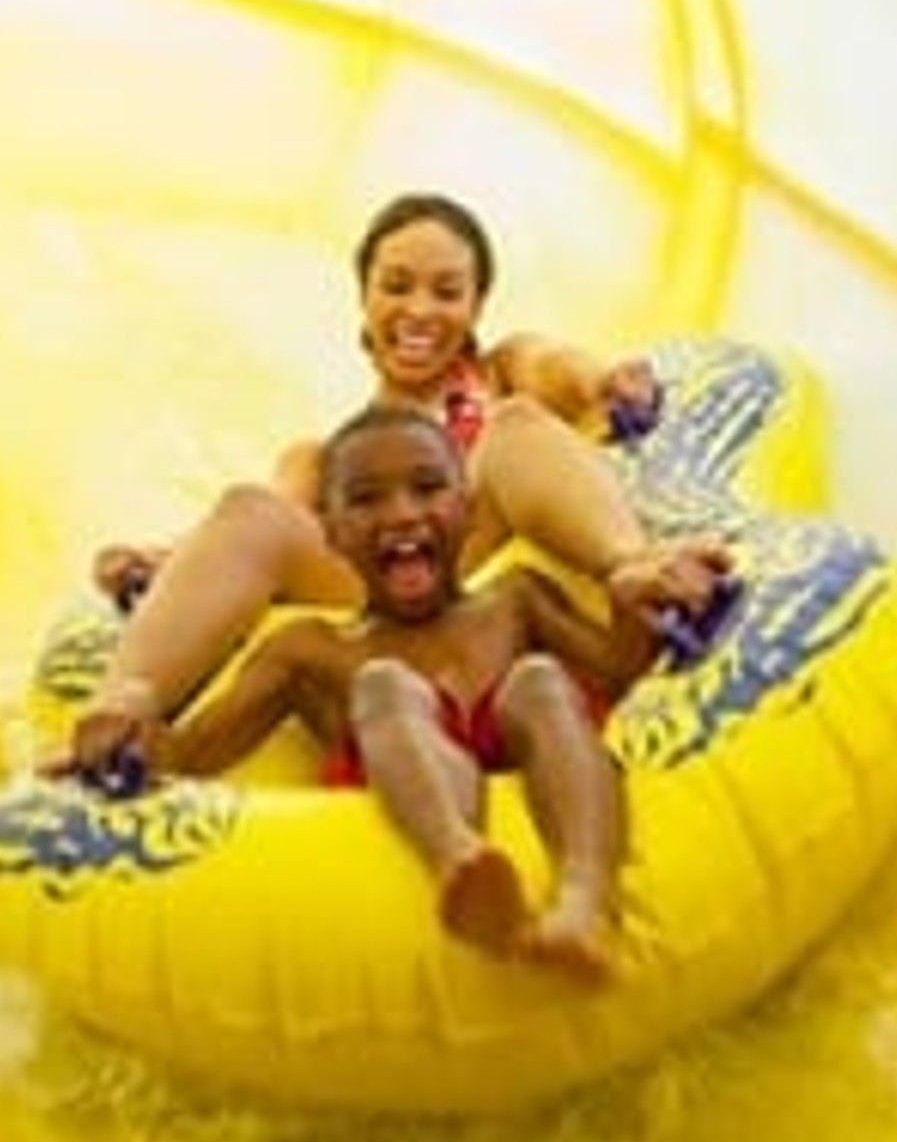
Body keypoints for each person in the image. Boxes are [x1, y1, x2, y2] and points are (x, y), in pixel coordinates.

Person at [75, 191, 728, 773]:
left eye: (447, 292)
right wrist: (162, 558)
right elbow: (260, 520)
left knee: (515, 426)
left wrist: (607, 379)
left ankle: (637, 568)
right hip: (391, 595)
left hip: (485, 559)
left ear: (476, 309)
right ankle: (122, 710)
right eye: (397, 286)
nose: (420, 310)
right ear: (364, 298)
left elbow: (558, 365)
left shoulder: (499, 375)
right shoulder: (334, 460)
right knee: (260, 500)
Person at [56, 405, 665, 980]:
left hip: (520, 740)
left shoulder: (516, 600)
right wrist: (131, 721)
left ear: (470, 511)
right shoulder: (313, 649)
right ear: (331, 533)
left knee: (538, 682)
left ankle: (585, 899)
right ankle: (461, 860)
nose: (401, 514)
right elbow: (189, 758)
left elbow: (617, 674)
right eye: (367, 500)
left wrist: (632, 602)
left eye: (427, 489)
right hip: (401, 762)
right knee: (386, 686)